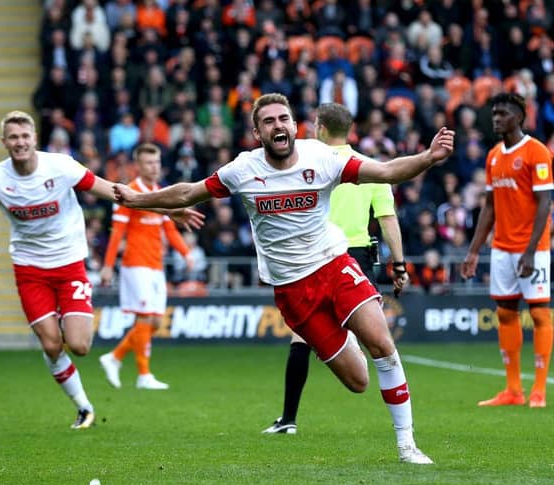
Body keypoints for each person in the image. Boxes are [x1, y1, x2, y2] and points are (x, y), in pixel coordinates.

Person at [113, 93, 455, 464]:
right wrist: (137, 200)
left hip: (333, 264)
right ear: (257, 132)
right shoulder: (242, 170)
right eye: (269, 121)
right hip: (292, 288)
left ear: (295, 126)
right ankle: (345, 344)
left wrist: (428, 158)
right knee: (359, 382)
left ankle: (407, 446)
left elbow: (387, 172)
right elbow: (188, 192)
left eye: (284, 119)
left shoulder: (323, 158)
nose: (278, 125)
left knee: (383, 346)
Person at [0, 111, 203, 429]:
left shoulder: (62, 167)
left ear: (35, 138)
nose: (20, 142)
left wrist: (167, 209)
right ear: (4, 142)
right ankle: (83, 407)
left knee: (79, 345)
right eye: (13, 137)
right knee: (51, 343)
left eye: (25, 136)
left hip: (69, 264)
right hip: (29, 269)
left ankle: (74, 354)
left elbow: (118, 194)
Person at [262, 102, 409, 436]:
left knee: (302, 337)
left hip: (321, 257)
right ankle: (402, 433)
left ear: (320, 129)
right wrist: (399, 264)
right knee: (379, 346)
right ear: (351, 130)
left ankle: (288, 418)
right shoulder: (367, 167)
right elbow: (387, 218)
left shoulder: (306, 163)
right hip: (357, 255)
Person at [461, 93, 553, 408]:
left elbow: (545, 204)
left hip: (532, 248)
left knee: (539, 312)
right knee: (505, 312)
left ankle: (539, 389)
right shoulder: (493, 156)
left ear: (519, 117)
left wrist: (530, 251)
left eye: (502, 113)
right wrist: (473, 251)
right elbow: (489, 207)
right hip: (501, 247)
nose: (496, 118)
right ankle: (513, 390)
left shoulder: (537, 152)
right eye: (494, 113)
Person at [99, 143, 194, 390]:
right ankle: (144, 375)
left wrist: (186, 252)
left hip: (156, 265)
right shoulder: (128, 194)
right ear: (138, 166)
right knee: (144, 318)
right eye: (149, 162)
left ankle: (114, 357)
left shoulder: (160, 193)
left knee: (155, 323)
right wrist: (108, 265)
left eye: (157, 162)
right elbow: (117, 233)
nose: (155, 167)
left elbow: (169, 228)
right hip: (136, 264)